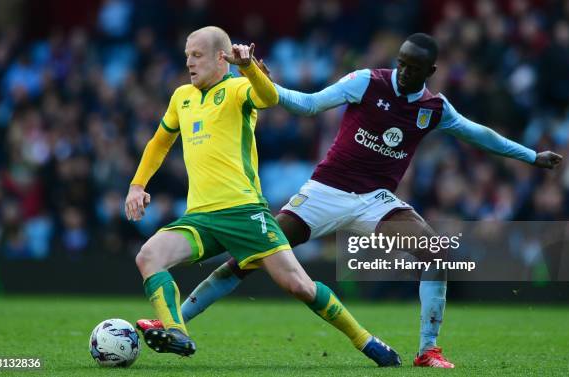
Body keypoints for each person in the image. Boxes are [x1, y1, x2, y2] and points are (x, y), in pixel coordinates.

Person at [137, 33, 563, 368]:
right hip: (323, 192)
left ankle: (428, 351)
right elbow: (306, 105)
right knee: (244, 260)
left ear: (428, 71)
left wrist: (530, 156)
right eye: (399, 61)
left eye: (412, 67)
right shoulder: (366, 81)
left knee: (435, 254)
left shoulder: (434, 107)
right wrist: (259, 78)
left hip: (375, 200)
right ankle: (176, 324)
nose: (401, 71)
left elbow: (480, 134)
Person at [125, 25, 401, 367]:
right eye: (187, 57)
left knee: (299, 285)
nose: (189, 63)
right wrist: (137, 185)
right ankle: (177, 332)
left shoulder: (239, 87)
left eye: (196, 56)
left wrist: (249, 67)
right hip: (200, 217)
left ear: (220, 58)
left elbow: (269, 98)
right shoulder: (181, 97)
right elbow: (159, 142)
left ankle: (366, 340)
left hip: (244, 213)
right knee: (148, 256)